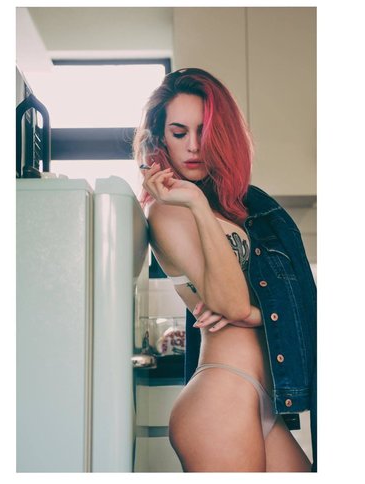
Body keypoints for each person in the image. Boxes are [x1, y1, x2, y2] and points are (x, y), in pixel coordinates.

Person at [133, 68, 316, 472]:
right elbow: (231, 304)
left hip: (258, 400)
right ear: (160, 138)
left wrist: (256, 314)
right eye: (179, 132)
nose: (193, 145)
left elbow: (276, 302)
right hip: (220, 395)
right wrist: (196, 203)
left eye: (205, 131)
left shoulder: (241, 208)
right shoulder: (169, 210)